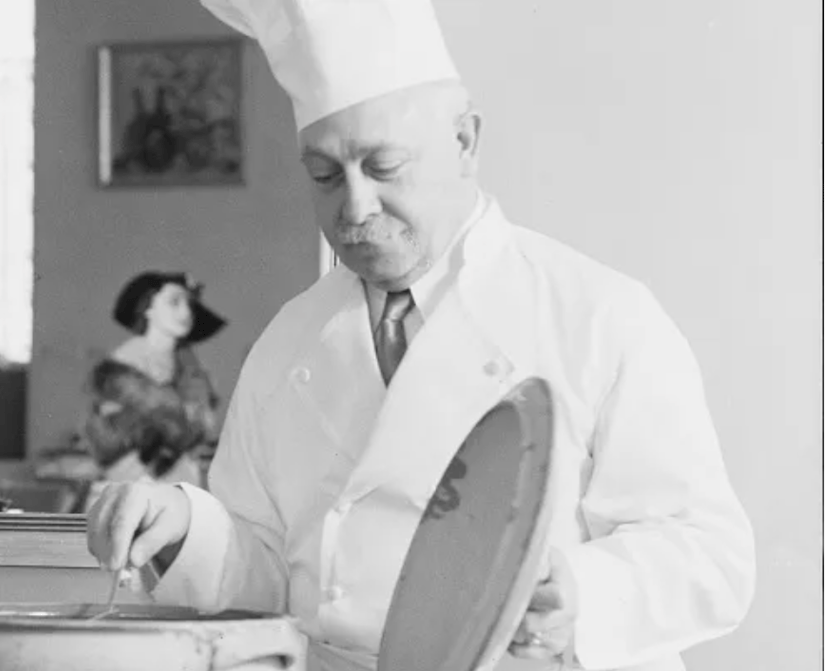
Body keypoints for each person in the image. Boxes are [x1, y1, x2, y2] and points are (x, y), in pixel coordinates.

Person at [86, 2, 756, 670]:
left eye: (383, 167)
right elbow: (265, 570)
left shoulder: (598, 314)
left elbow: (711, 555)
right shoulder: (289, 339)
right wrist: (184, 525)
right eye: (324, 175)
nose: (355, 208)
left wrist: (582, 593)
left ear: (465, 141)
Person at [80, 271, 226, 510]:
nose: (185, 312)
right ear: (147, 308)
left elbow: (203, 429)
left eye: (189, 304)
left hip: (182, 490)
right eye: (174, 302)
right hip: (132, 493)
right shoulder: (121, 369)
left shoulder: (191, 370)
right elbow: (105, 440)